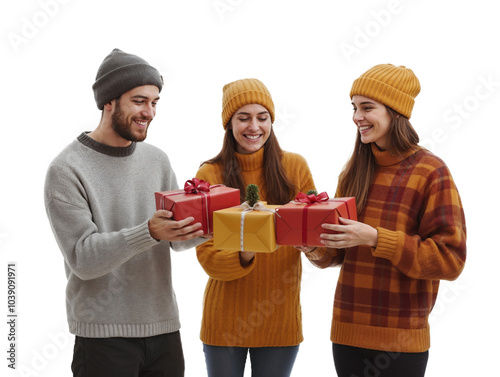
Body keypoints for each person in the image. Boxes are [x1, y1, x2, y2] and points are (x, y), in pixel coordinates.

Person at [44, 48, 206, 377]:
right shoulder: (66, 169)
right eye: (139, 101)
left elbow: (177, 238)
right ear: (109, 102)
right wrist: (148, 232)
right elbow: (83, 260)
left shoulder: (157, 159)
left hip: (164, 330)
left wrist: (220, 221)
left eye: (155, 102)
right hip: (103, 339)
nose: (149, 112)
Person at [313, 64, 467, 377]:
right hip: (347, 333)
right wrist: (312, 246)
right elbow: (338, 253)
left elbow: (451, 260)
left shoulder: (430, 172)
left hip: (402, 341)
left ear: (395, 112)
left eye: (367, 107)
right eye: (354, 108)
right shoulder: (353, 172)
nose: (357, 117)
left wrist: (376, 238)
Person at [195, 78, 323, 377]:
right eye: (244, 118)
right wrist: (245, 253)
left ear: (271, 121)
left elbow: (319, 239)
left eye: (262, 117)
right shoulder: (210, 173)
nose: (254, 126)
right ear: (229, 123)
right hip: (225, 322)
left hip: (279, 320)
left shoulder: (295, 167)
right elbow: (207, 256)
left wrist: (314, 247)